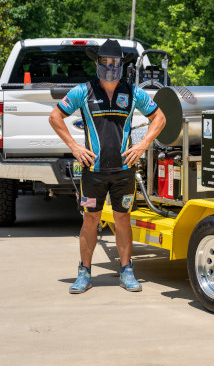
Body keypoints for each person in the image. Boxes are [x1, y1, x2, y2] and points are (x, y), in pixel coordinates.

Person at [49, 39, 166, 293]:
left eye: (115, 63)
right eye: (105, 63)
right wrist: (75, 147)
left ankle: (127, 271)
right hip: (93, 173)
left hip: (124, 171)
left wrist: (143, 144)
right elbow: (55, 116)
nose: (110, 67)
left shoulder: (133, 92)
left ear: (121, 65)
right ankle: (84, 273)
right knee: (90, 220)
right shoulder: (84, 91)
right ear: (97, 63)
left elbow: (160, 117)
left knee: (122, 220)